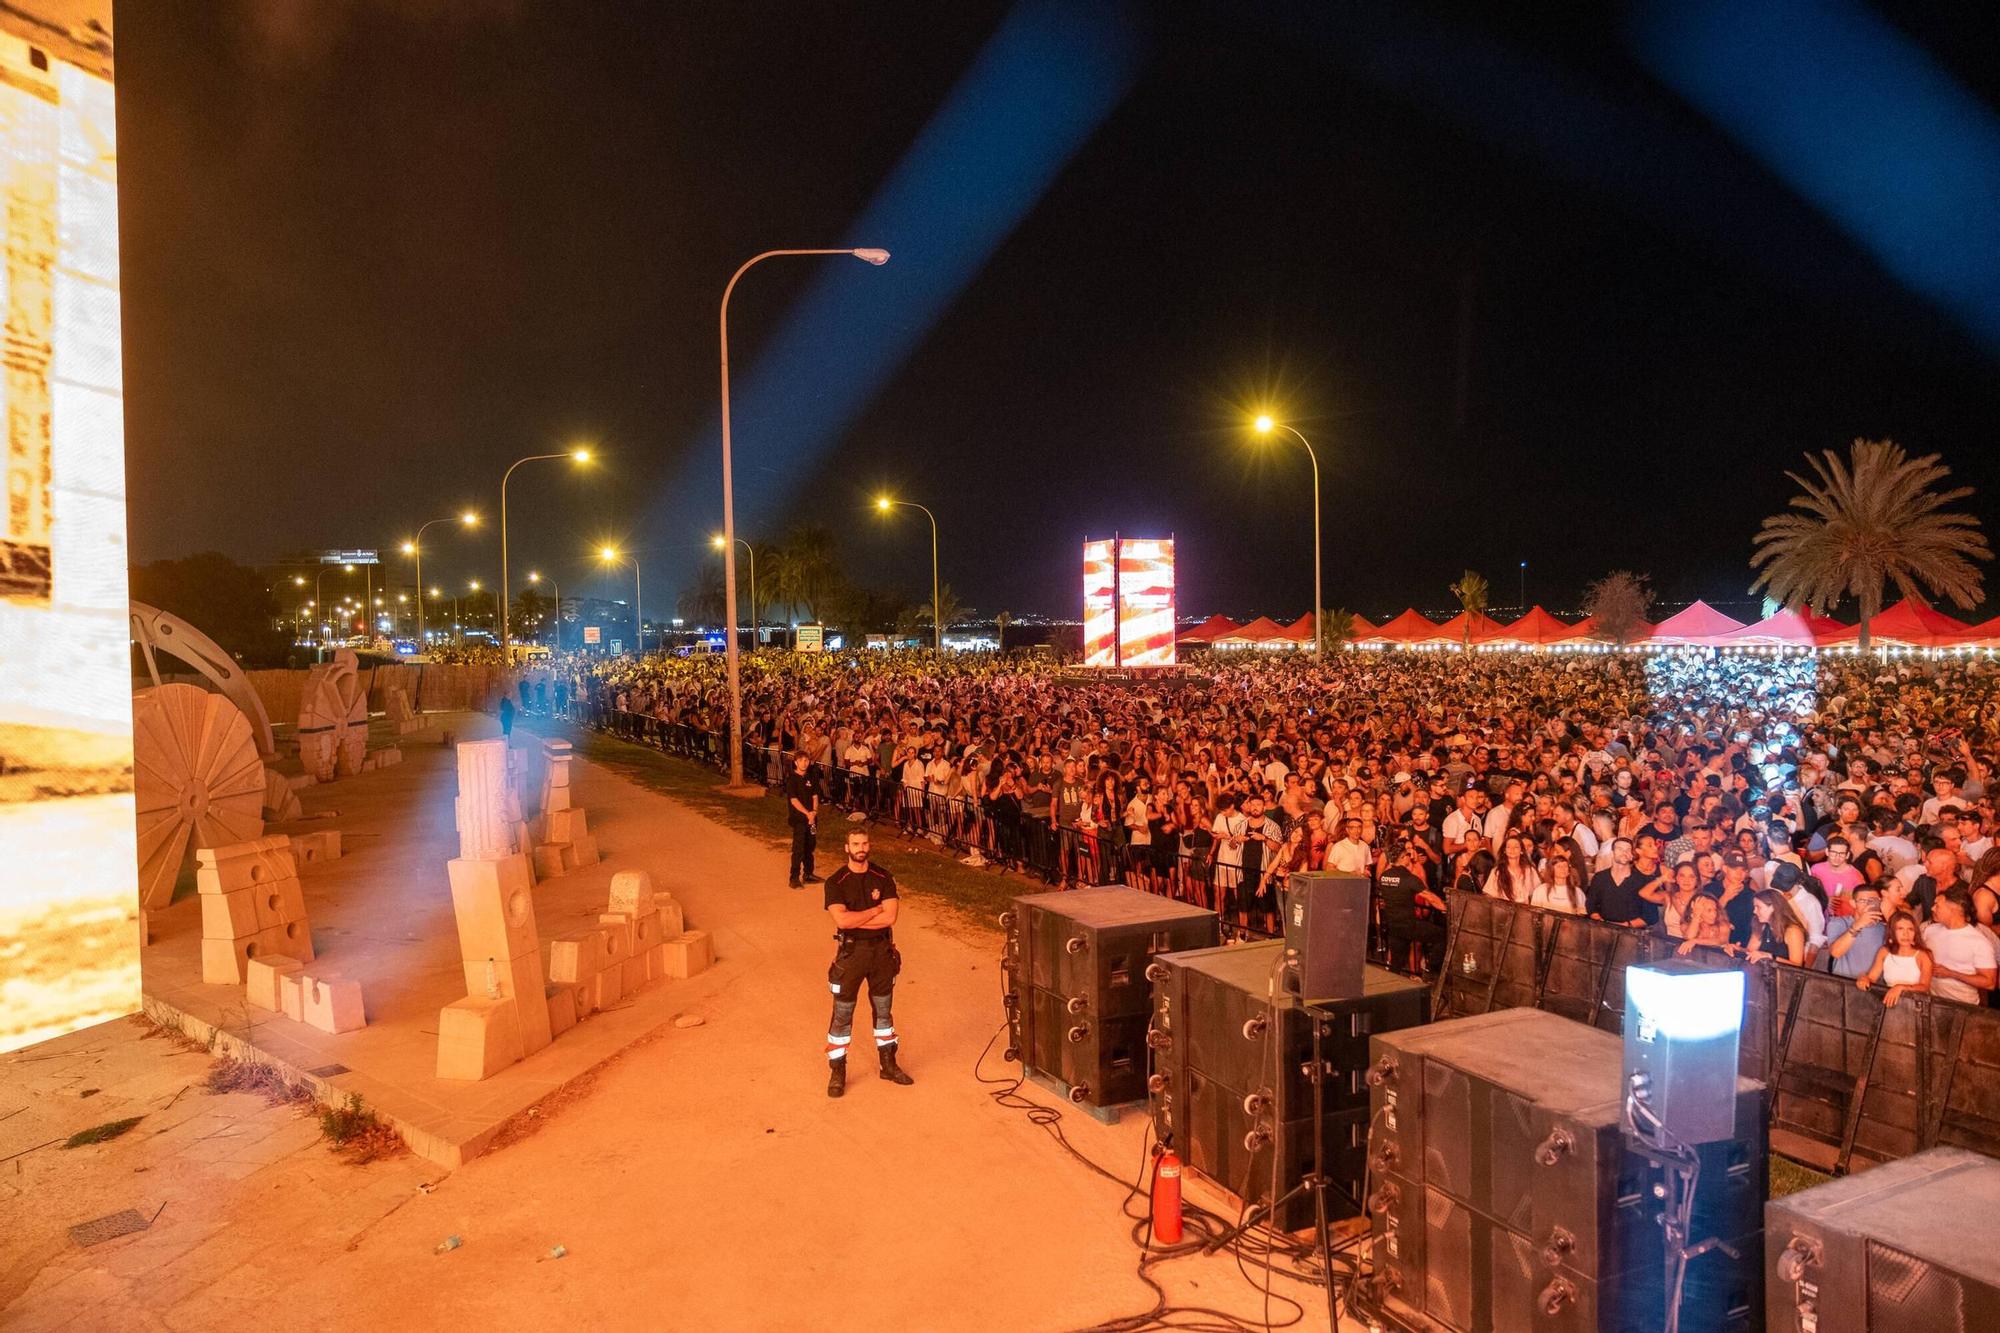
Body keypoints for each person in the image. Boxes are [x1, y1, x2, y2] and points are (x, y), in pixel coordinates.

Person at [822, 829, 914, 1097]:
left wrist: (858, 918)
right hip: (851, 956)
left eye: (864, 843)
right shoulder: (836, 881)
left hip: (882, 954)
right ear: (846, 847)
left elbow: (890, 918)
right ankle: (837, 1072)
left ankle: (888, 1065)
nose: (860, 848)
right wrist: (875, 910)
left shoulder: (883, 876)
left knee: (884, 1013)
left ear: (869, 846)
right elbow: (842, 921)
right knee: (842, 1015)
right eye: (855, 844)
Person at [1378, 838, 1447, 975]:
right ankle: (1432, 969)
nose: (1409, 857)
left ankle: (1391, 990)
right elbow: (1430, 898)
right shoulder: (1409, 878)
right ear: (1403, 858)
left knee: (1396, 964)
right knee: (1442, 936)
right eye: (1407, 855)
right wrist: (1445, 909)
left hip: (1393, 924)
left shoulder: (1384, 876)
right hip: (1408, 924)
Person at [1921, 890, 1998, 1006]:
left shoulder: (1979, 942)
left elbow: (1989, 982)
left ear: (1954, 909)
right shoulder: (1929, 930)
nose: (1932, 908)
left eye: (1937, 905)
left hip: (1961, 1006)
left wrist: (1951, 973)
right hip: (1930, 1001)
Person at [1857, 911, 1932, 1008]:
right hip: (1891, 1005)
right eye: (1900, 929)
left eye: (1910, 929)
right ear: (1892, 932)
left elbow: (1924, 986)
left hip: (1916, 1008)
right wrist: (1863, 978)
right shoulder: (1884, 951)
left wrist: (1900, 988)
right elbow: (1872, 978)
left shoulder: (1923, 955)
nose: (1906, 934)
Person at [785, 750, 824, 888]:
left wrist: (814, 812)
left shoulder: (811, 777)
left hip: (812, 819)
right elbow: (794, 800)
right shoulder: (792, 779)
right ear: (796, 762)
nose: (804, 763)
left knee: (810, 846)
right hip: (799, 819)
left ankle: (808, 873)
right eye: (801, 760)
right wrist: (807, 814)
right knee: (799, 848)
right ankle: (794, 877)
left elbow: (815, 796)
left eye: (806, 760)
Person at [1748, 889, 1810, 966]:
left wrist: (1771, 957)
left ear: (1772, 907)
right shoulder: (1761, 926)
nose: (1754, 911)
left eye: (1758, 907)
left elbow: (1797, 966)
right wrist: (1737, 949)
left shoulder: (1793, 931)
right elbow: (1750, 951)